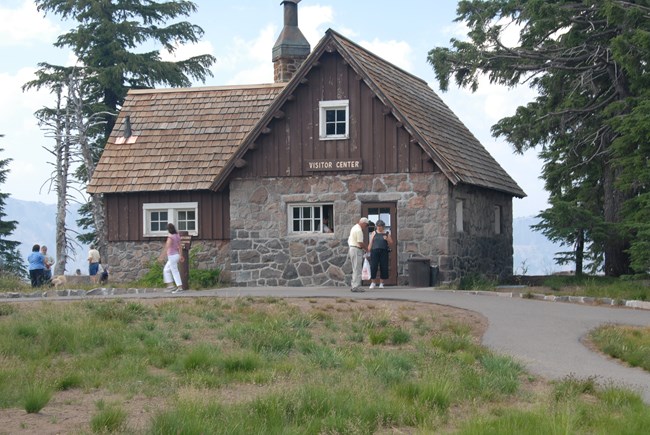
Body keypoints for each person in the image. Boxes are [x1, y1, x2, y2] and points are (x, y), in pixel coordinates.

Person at [158, 223, 185, 293]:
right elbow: (180, 246)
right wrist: (181, 255)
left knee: (175, 271)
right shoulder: (177, 235)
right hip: (176, 255)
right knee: (166, 270)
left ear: (168, 230)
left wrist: (161, 257)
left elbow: (167, 247)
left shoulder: (170, 237)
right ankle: (171, 286)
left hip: (172, 256)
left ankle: (180, 287)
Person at [368, 220, 394, 289]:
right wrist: (368, 250)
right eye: (378, 226)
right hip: (374, 251)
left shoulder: (387, 233)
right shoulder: (373, 233)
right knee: (373, 266)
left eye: (381, 226)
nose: (379, 228)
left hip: (384, 251)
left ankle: (381, 283)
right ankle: (373, 282)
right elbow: (371, 243)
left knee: (384, 266)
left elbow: (391, 242)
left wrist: (387, 239)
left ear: (383, 227)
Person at [347, 217, 369, 292]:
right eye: (366, 225)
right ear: (363, 223)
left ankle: (354, 285)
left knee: (355, 268)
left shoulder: (354, 227)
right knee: (357, 268)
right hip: (356, 249)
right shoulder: (359, 230)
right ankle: (356, 286)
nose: (365, 227)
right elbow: (360, 242)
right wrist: (367, 249)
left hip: (352, 248)